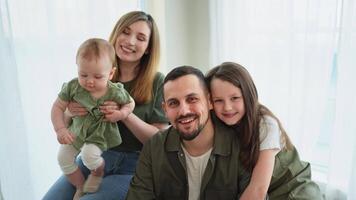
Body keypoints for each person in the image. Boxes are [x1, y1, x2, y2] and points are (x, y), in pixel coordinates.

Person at [43, 11, 169, 200]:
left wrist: (124, 114)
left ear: (148, 48)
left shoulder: (158, 81)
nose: (130, 41)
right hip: (92, 157)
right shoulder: (95, 71)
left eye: (140, 38)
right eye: (125, 32)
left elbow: (159, 140)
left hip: (132, 168)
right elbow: (68, 118)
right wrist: (70, 111)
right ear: (116, 34)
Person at [126, 66, 250, 200]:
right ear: (165, 109)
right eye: (173, 103)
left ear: (209, 101)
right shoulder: (153, 147)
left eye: (192, 99)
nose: (184, 111)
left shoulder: (241, 145)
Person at [205, 62, 322, 200]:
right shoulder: (217, 124)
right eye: (218, 100)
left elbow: (258, 189)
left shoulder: (266, 124)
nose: (227, 107)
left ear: (248, 95)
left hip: (295, 191)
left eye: (235, 98)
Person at [51, 38, 135, 199]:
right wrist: (60, 129)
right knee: (63, 158)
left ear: (110, 74)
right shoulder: (73, 87)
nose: (89, 81)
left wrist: (121, 114)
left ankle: (98, 170)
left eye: (97, 77)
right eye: (83, 74)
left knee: (89, 155)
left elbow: (130, 103)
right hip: (76, 131)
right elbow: (57, 107)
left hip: (98, 136)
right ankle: (80, 186)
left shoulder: (114, 91)